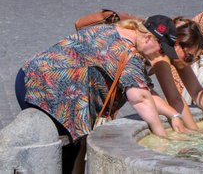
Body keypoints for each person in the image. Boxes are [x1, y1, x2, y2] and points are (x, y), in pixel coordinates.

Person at [15, 15, 192, 174]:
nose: (159, 55)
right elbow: (141, 98)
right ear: (148, 38)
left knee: (72, 149)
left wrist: (173, 114)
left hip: (29, 76)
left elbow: (143, 89)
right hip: (44, 91)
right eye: (161, 50)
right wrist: (163, 140)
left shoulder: (115, 31)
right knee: (64, 154)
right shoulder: (126, 53)